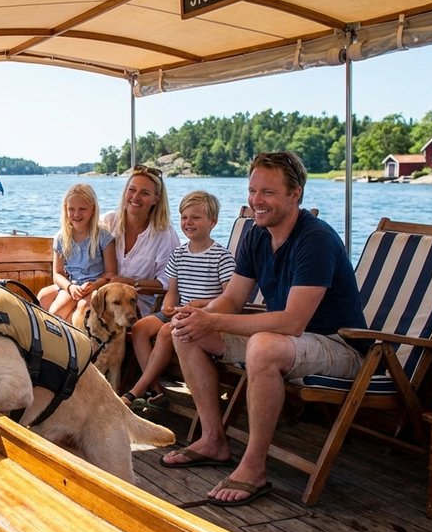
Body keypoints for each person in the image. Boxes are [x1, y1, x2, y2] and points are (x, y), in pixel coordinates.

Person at [161, 151, 367, 508]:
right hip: (287, 341)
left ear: (295, 195)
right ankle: (214, 439)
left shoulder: (314, 240)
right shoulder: (257, 235)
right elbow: (233, 298)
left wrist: (215, 319)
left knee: (263, 347)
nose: (256, 201)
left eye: (268, 192)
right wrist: (201, 316)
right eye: (253, 190)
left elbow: (292, 322)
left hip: (340, 346)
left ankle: (254, 468)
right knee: (186, 331)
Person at [124, 190, 234, 408]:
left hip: (204, 315)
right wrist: (168, 306)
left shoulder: (222, 256)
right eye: (184, 217)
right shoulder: (179, 253)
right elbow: (172, 289)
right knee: (139, 328)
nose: (188, 222)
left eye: (196, 217)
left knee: (166, 331)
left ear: (212, 222)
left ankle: (136, 390)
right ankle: (155, 388)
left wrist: (202, 305)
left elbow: (229, 297)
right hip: (179, 312)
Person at [100, 165, 180, 317]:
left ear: (156, 199)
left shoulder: (165, 234)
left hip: (140, 304)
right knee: (46, 296)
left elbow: (167, 282)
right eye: (132, 190)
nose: (135, 197)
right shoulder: (109, 222)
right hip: (104, 295)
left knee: (88, 311)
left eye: (144, 193)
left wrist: (127, 282)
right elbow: (78, 235)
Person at [38, 183, 116, 321]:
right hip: (73, 284)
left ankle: (73, 338)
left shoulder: (103, 237)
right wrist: (70, 287)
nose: (76, 214)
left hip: (95, 286)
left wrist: (95, 285)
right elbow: (58, 274)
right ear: (65, 210)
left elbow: (111, 273)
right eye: (71, 209)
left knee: (71, 310)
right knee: (48, 303)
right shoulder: (61, 238)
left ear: (93, 209)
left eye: (82, 209)